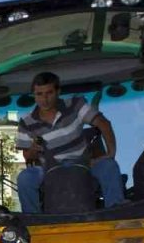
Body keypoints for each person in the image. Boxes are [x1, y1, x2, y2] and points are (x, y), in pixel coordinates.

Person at [15, 71, 125, 213]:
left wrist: (111, 153)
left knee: (108, 166)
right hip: (48, 169)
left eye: (49, 93)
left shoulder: (75, 105)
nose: (45, 99)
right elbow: (27, 156)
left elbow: (103, 123)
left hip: (84, 164)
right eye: (39, 94)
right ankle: (33, 221)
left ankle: (116, 212)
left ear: (58, 91)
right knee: (25, 178)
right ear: (34, 95)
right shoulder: (26, 122)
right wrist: (33, 149)